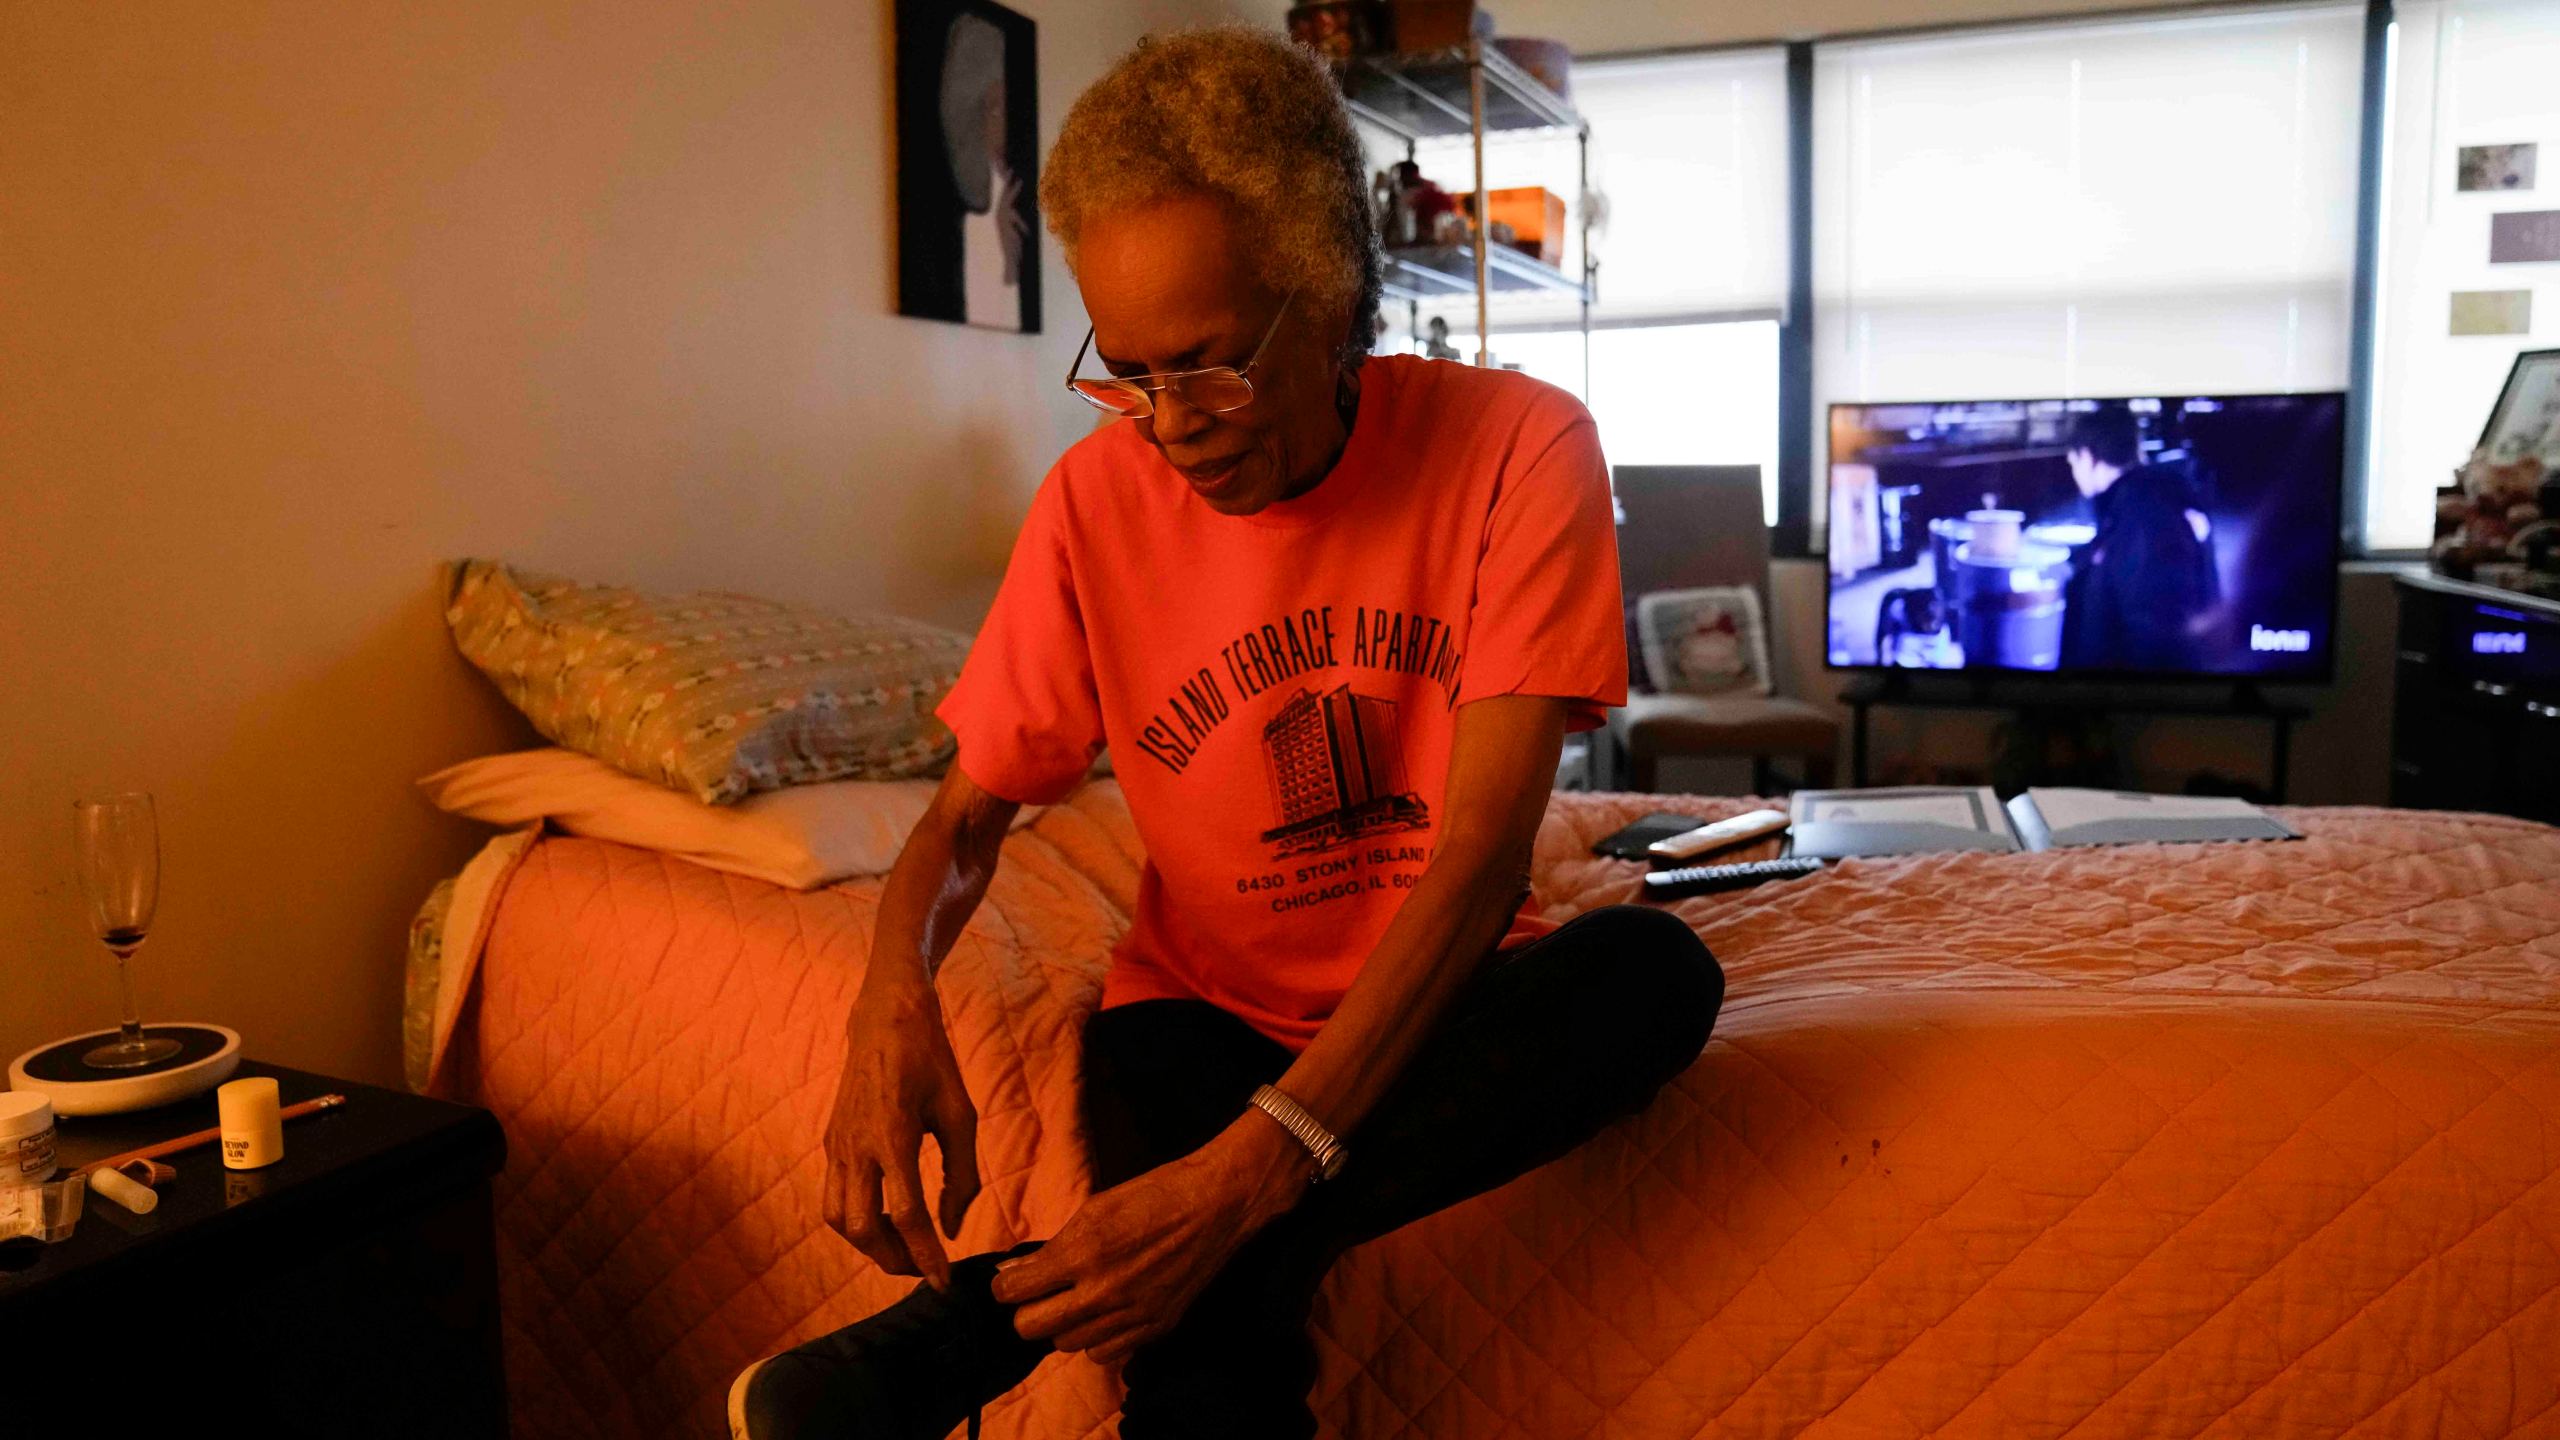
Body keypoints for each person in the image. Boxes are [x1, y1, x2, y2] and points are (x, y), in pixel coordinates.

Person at [730, 28, 1722, 1440]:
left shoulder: (1521, 447)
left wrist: (1252, 1174)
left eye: (1205, 367)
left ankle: (974, 1327)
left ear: (1325, 293)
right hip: (1193, 1016)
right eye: (1126, 375)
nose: (1168, 429)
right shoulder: (1091, 509)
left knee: (1650, 979)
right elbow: (961, 821)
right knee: (1208, 1360)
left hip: (1439, 990)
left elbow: (1486, 857)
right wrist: (887, 1007)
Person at [2058, 409, 2220, 672]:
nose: (2075, 474)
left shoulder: (2143, 516)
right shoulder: (2140, 502)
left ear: (2087, 457)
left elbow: (2153, 626)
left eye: (2073, 463)